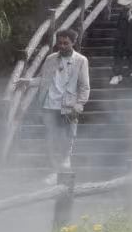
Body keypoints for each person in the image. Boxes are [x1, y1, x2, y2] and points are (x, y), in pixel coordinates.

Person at [33, 28, 90, 180]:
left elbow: (84, 87)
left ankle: (64, 168)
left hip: (69, 106)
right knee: (51, 138)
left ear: (73, 42)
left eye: (66, 43)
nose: (62, 46)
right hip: (49, 105)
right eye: (59, 43)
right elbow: (43, 80)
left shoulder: (81, 60)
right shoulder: (51, 58)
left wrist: (80, 105)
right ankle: (54, 171)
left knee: (67, 137)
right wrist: (27, 82)